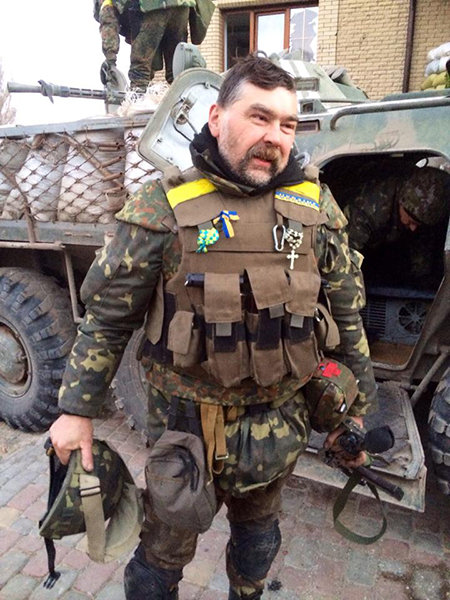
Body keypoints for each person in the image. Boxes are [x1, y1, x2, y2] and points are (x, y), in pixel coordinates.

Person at [50, 55, 378, 600]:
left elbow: (347, 315)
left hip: (280, 426)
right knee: (159, 563)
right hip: (186, 432)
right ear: (217, 117)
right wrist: (75, 411)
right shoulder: (162, 208)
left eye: (288, 124)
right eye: (259, 117)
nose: (275, 137)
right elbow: (106, 322)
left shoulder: (315, 208)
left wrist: (356, 411)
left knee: (257, 544)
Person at [343, 164, 450, 286]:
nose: (413, 228)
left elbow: (421, 250)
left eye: (418, 224)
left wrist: (422, 282)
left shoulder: (421, 210)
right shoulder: (368, 209)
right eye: (411, 221)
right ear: (402, 203)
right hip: (354, 245)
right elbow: (343, 261)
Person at [96, 0, 191, 89]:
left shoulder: (105, 3)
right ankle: (185, 97)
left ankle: (137, 98)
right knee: (177, 70)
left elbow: (108, 24)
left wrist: (110, 60)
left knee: (139, 73)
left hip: (151, 6)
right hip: (182, 6)